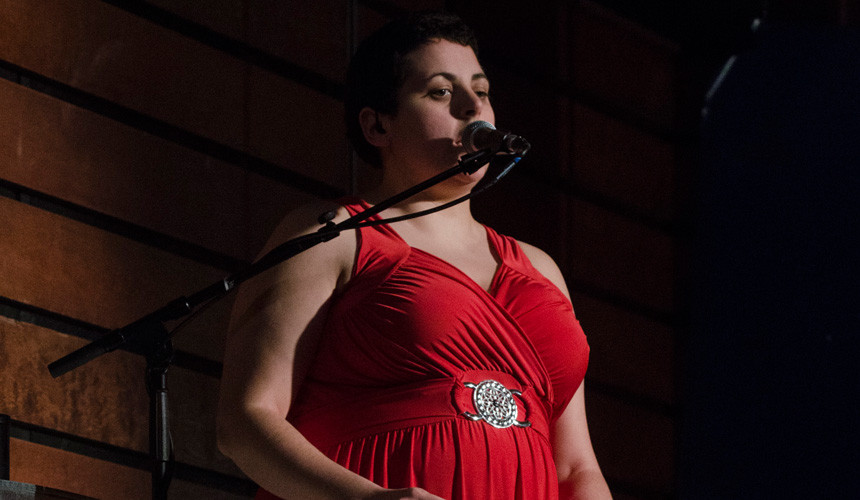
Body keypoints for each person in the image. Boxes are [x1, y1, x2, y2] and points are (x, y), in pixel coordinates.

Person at [216, 11, 611, 500]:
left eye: (482, 90)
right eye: (442, 92)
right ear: (378, 124)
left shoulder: (541, 269)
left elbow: (576, 466)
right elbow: (245, 420)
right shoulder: (333, 234)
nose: (474, 108)